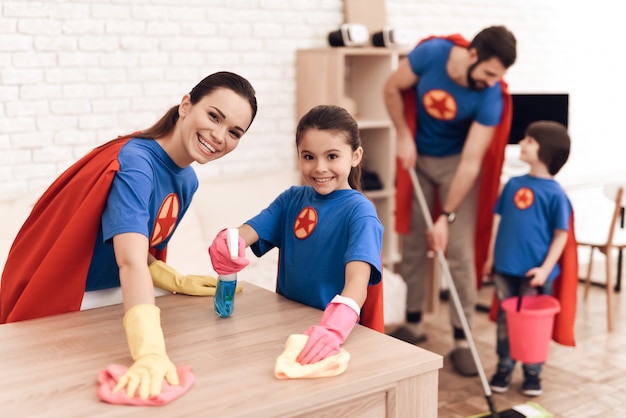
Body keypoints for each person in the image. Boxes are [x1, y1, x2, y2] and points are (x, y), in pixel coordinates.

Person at [0, 71, 258, 399]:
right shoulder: (136, 163)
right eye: (213, 116)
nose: (220, 135)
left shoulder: (187, 180)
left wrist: (171, 279)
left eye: (234, 132)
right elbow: (130, 260)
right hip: (64, 305)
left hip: (107, 306)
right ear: (185, 105)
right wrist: (149, 351)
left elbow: (139, 249)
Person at [382, 25, 517, 376]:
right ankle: (413, 323)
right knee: (411, 244)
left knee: (458, 253)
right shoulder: (432, 55)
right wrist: (403, 135)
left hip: (457, 166)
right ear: (472, 54)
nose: (491, 81)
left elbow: (472, 160)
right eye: (488, 72)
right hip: (417, 157)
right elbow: (392, 87)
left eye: (498, 76)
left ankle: (462, 339)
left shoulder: (491, 96)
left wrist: (448, 216)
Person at [209, 104, 384, 365]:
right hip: (288, 327)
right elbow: (247, 233)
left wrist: (334, 330)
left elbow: (357, 283)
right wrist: (228, 243)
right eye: (309, 156)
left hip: (332, 338)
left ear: (355, 156)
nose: (320, 168)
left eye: (332, 156)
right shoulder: (291, 199)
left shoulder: (360, 213)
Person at [483, 120, 572, 396]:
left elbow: (561, 235)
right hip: (504, 267)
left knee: (533, 325)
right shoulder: (512, 184)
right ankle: (504, 367)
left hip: (534, 273)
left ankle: (533, 372)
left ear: (546, 151)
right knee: (505, 321)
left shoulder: (556, 194)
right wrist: (489, 258)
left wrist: (545, 270)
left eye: (529, 141)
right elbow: (498, 221)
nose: (522, 143)